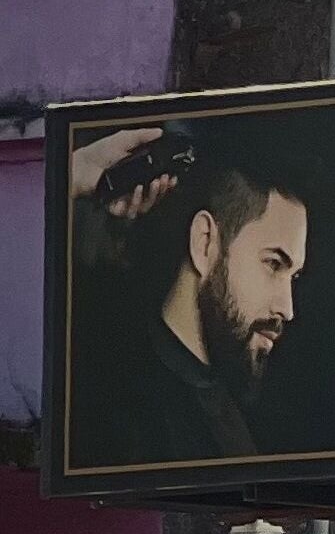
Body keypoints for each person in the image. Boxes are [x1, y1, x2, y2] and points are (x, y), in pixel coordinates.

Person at [68, 127, 311, 463]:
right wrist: (72, 174)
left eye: (293, 275)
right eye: (273, 264)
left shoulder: (231, 414)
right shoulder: (109, 400)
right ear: (205, 241)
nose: (287, 308)